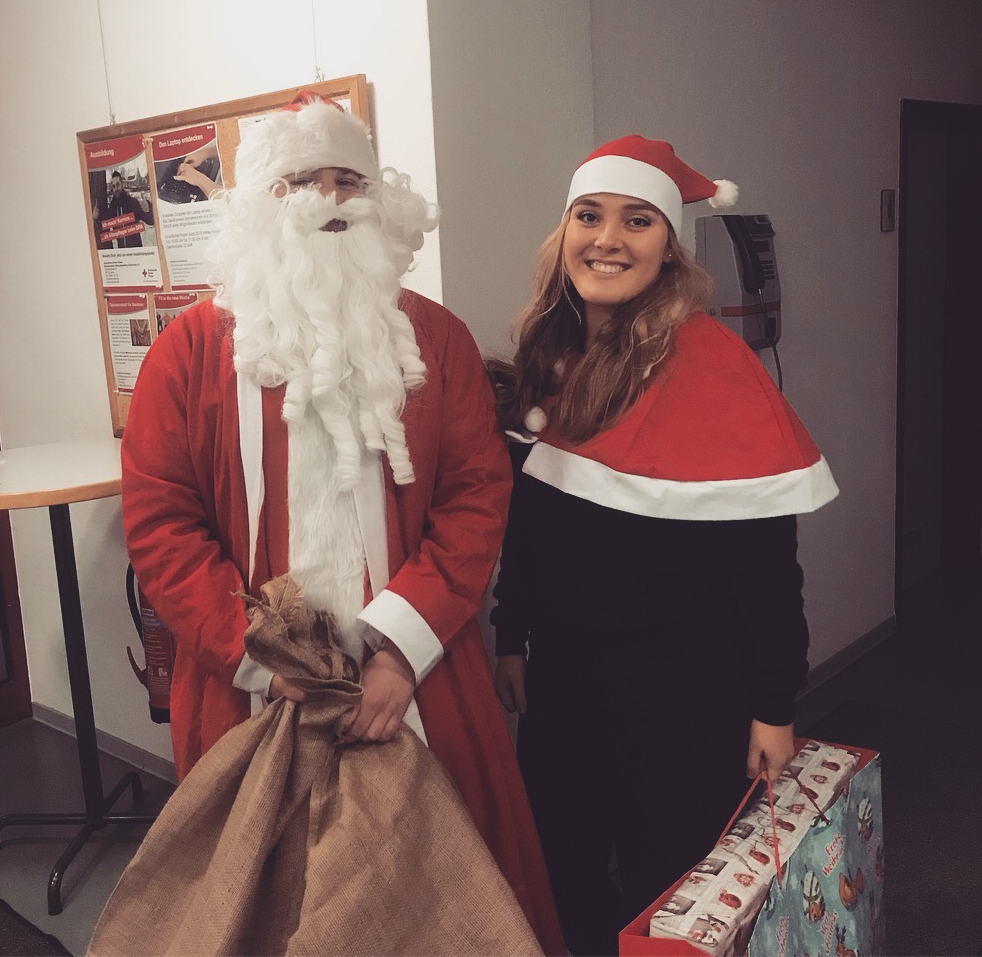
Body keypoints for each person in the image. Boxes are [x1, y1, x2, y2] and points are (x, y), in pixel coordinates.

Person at [120, 90, 565, 954]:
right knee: (261, 906)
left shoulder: (438, 340)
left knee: (444, 903)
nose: (328, 199)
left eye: (347, 180)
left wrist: (400, 652)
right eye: (300, 182)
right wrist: (263, 656)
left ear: (377, 200)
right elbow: (162, 522)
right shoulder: (187, 353)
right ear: (260, 204)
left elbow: (476, 497)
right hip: (251, 691)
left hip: (417, 678)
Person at [488, 134, 839, 955]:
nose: (607, 238)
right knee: (563, 874)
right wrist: (511, 631)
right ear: (565, 232)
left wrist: (776, 704)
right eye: (589, 216)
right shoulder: (548, 354)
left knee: (670, 889)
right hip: (565, 684)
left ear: (670, 246)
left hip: (683, 696)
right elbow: (531, 520)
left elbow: (766, 567)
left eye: (637, 220)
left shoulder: (717, 370)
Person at [95, 170, 154, 248]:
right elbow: (103, 225)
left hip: (136, 249)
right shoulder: (112, 208)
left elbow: (150, 221)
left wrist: (148, 208)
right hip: (122, 250)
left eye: (118, 185)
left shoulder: (132, 202)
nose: (116, 189)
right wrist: (96, 217)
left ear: (122, 184)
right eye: (114, 186)